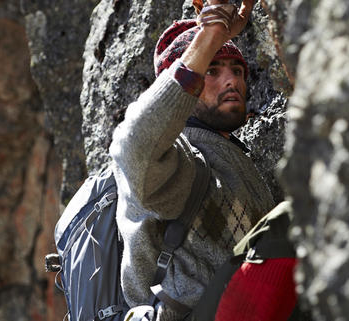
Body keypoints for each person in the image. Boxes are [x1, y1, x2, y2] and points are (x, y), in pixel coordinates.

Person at [109, 0, 276, 320]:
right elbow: (132, 142)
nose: (232, 81)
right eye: (212, 70)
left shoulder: (237, 158)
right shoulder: (172, 163)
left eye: (237, 71)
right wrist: (211, 35)